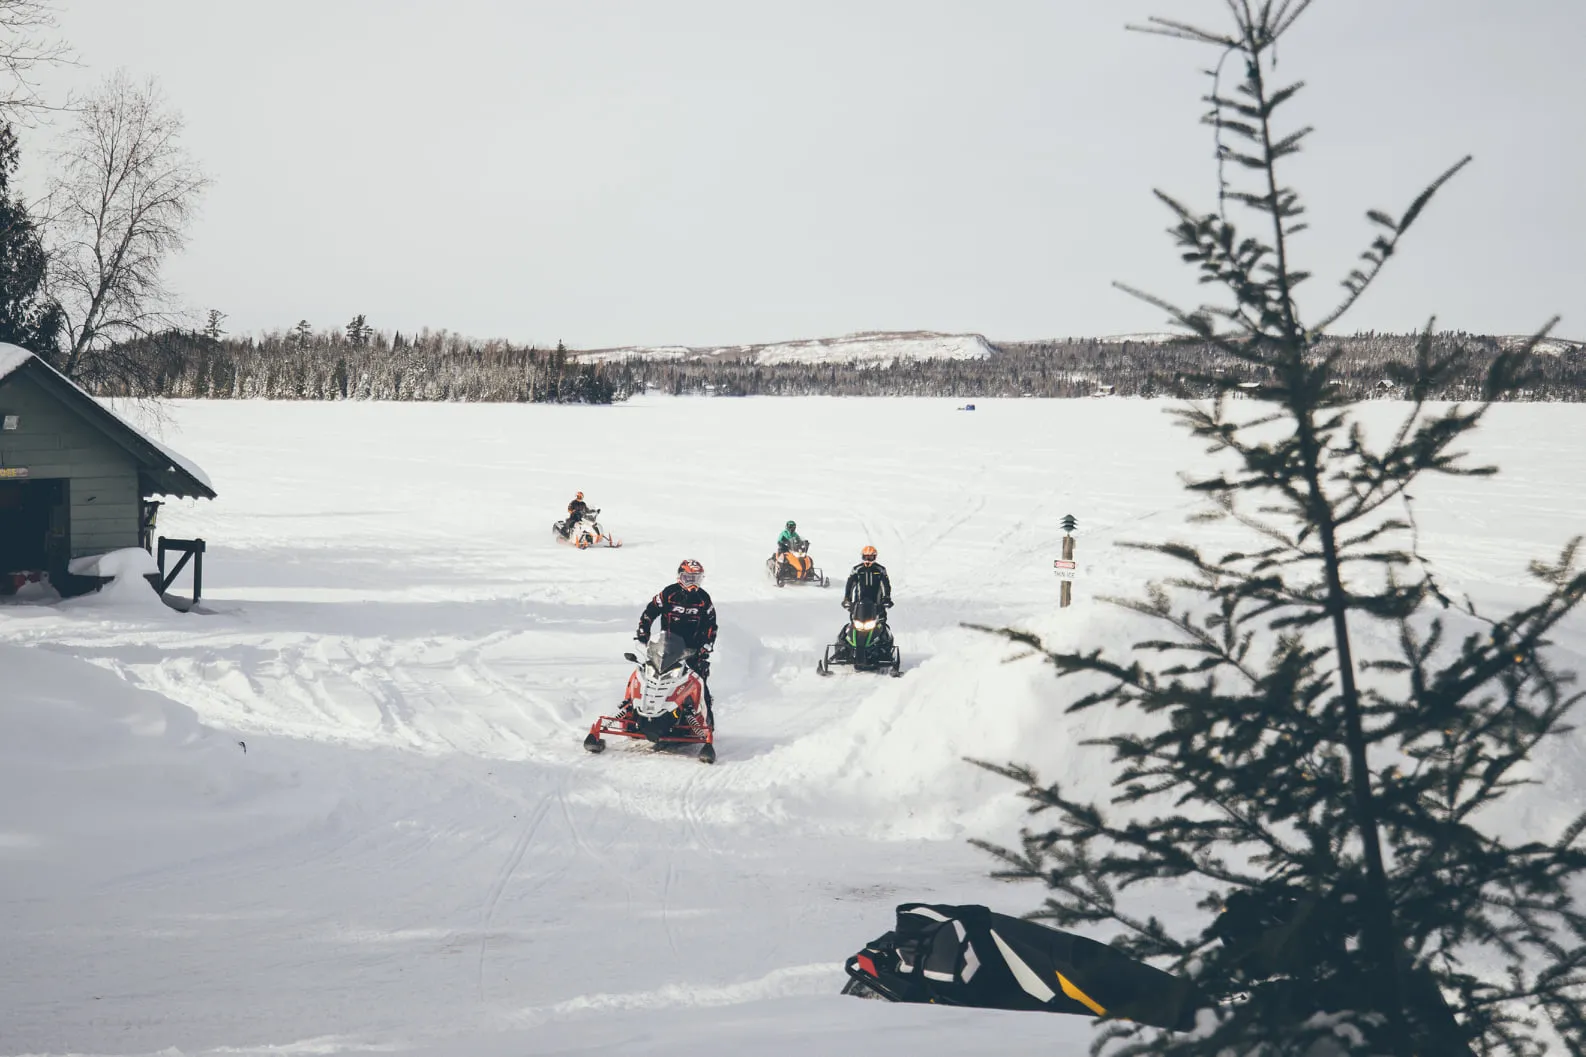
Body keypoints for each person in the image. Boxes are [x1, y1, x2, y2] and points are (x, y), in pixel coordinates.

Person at [632, 558, 718, 731]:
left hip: (693, 651)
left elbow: (711, 624)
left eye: (697, 578)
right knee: (645, 677)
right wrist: (643, 633)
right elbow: (650, 612)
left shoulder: (703, 599)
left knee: (700, 683)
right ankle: (630, 710)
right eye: (689, 578)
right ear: (680, 577)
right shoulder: (669, 594)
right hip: (667, 648)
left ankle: (707, 724)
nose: (693, 583)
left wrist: (706, 646)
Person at [843, 545, 893, 618]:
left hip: (877, 604)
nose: (868, 560)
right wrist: (847, 598)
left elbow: (885, 585)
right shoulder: (857, 569)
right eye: (866, 557)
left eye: (870, 557)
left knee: (882, 622)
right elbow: (850, 584)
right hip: (859, 604)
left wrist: (886, 598)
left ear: (874, 557)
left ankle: (884, 629)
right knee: (851, 624)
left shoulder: (880, 570)